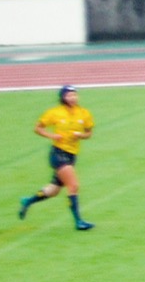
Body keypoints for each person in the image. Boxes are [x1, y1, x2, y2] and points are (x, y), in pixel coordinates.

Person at [17, 85, 96, 231]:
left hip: (72, 154)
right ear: (63, 97)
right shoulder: (55, 113)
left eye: (75, 95)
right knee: (73, 185)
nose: (73, 98)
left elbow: (89, 133)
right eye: (69, 95)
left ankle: (28, 201)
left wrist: (80, 136)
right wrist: (52, 136)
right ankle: (79, 221)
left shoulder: (83, 113)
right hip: (58, 153)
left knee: (53, 190)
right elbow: (38, 127)